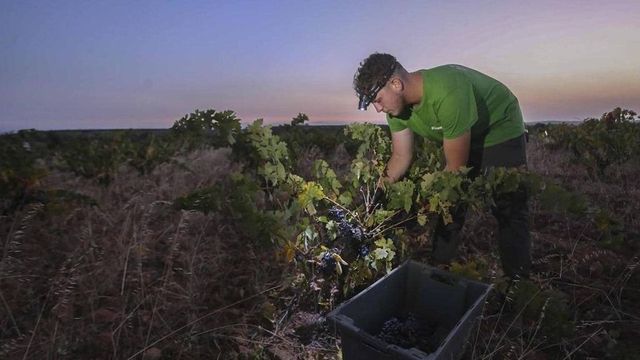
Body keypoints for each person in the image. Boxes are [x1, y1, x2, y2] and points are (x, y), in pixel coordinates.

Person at [353, 53, 531, 278]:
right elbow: (400, 157)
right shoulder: (396, 111)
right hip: (464, 132)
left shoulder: (448, 91)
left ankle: (518, 285)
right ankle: (438, 270)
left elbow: (453, 173)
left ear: (396, 84)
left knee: (509, 206)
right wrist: (378, 191)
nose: (378, 109)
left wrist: (420, 206)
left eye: (377, 100)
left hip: (499, 126)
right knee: (452, 204)